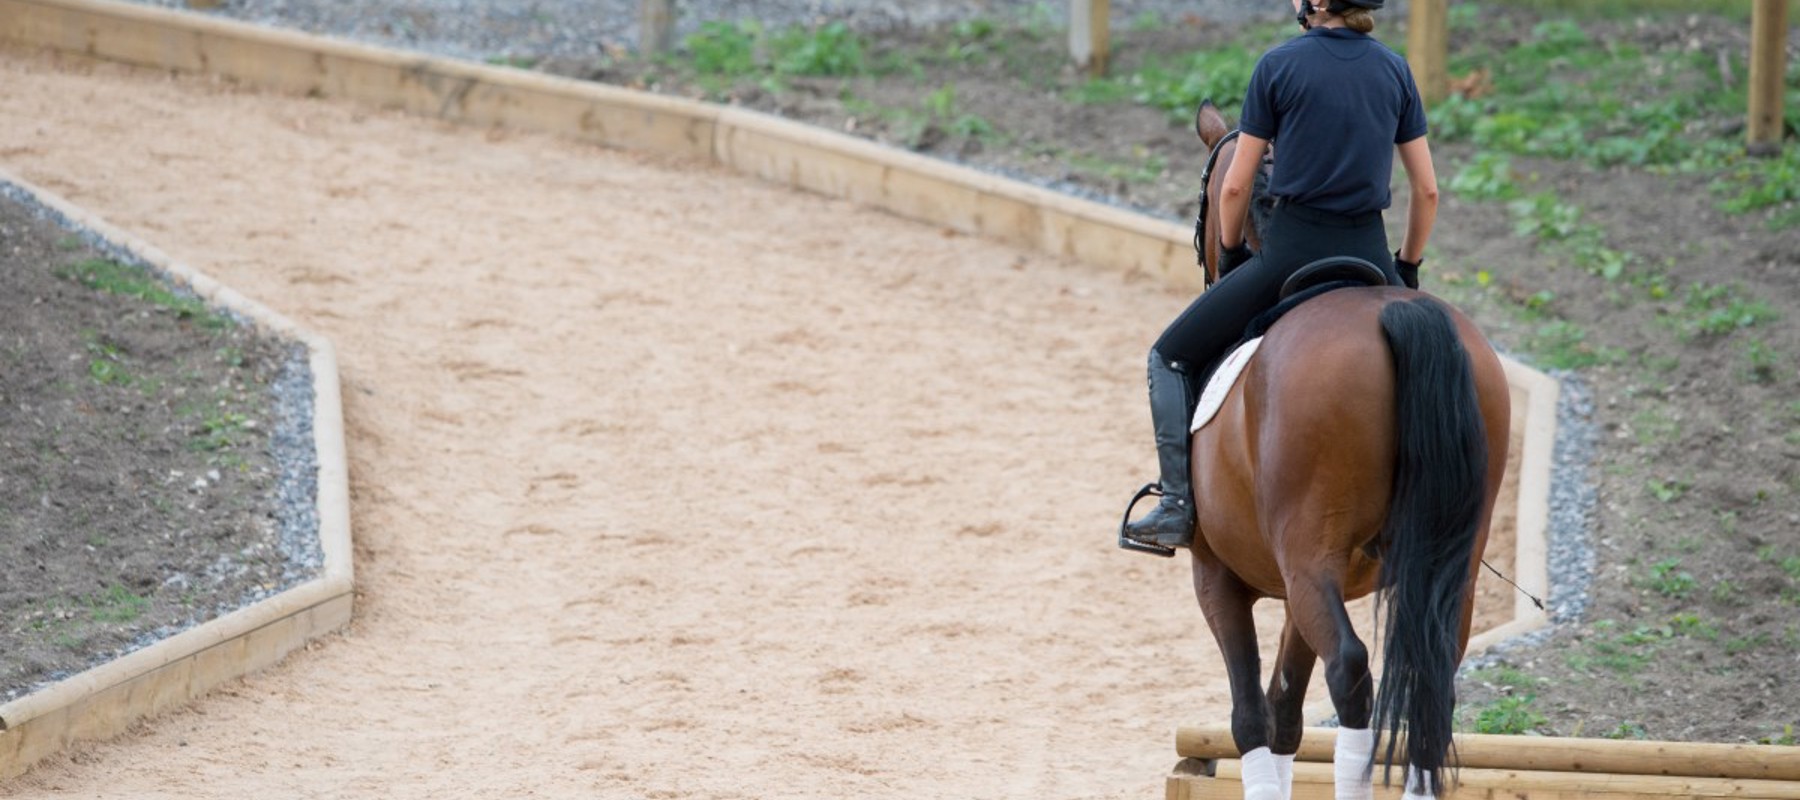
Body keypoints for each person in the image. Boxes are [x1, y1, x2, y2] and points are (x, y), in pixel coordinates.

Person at [1120, 0, 1439, 551]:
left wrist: (1230, 253)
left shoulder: (1279, 65)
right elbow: (1428, 191)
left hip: (1291, 253)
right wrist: (1405, 267)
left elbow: (1237, 187)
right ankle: (1428, 506)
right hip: (1370, 254)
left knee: (1167, 355)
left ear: (1317, 2)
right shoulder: (1395, 69)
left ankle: (1175, 505)